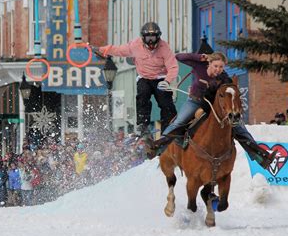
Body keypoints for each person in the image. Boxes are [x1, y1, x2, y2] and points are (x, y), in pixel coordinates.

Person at [147, 51, 277, 170]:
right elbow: (179, 57)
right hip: (195, 101)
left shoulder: (224, 77)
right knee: (179, 121)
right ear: (209, 63)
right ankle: (157, 148)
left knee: (240, 128)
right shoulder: (199, 65)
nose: (218, 70)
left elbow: (229, 89)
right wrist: (199, 57)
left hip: (212, 106)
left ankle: (262, 158)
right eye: (216, 66)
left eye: (221, 67)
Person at [94, 22, 178, 135]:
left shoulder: (164, 48)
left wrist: (167, 81)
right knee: (143, 94)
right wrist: (101, 49)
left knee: (165, 102)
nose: (151, 41)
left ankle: (168, 127)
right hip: (144, 77)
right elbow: (118, 50)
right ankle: (143, 124)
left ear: (158, 37)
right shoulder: (135, 45)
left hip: (160, 78)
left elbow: (173, 66)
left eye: (153, 38)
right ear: (143, 38)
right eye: (148, 38)